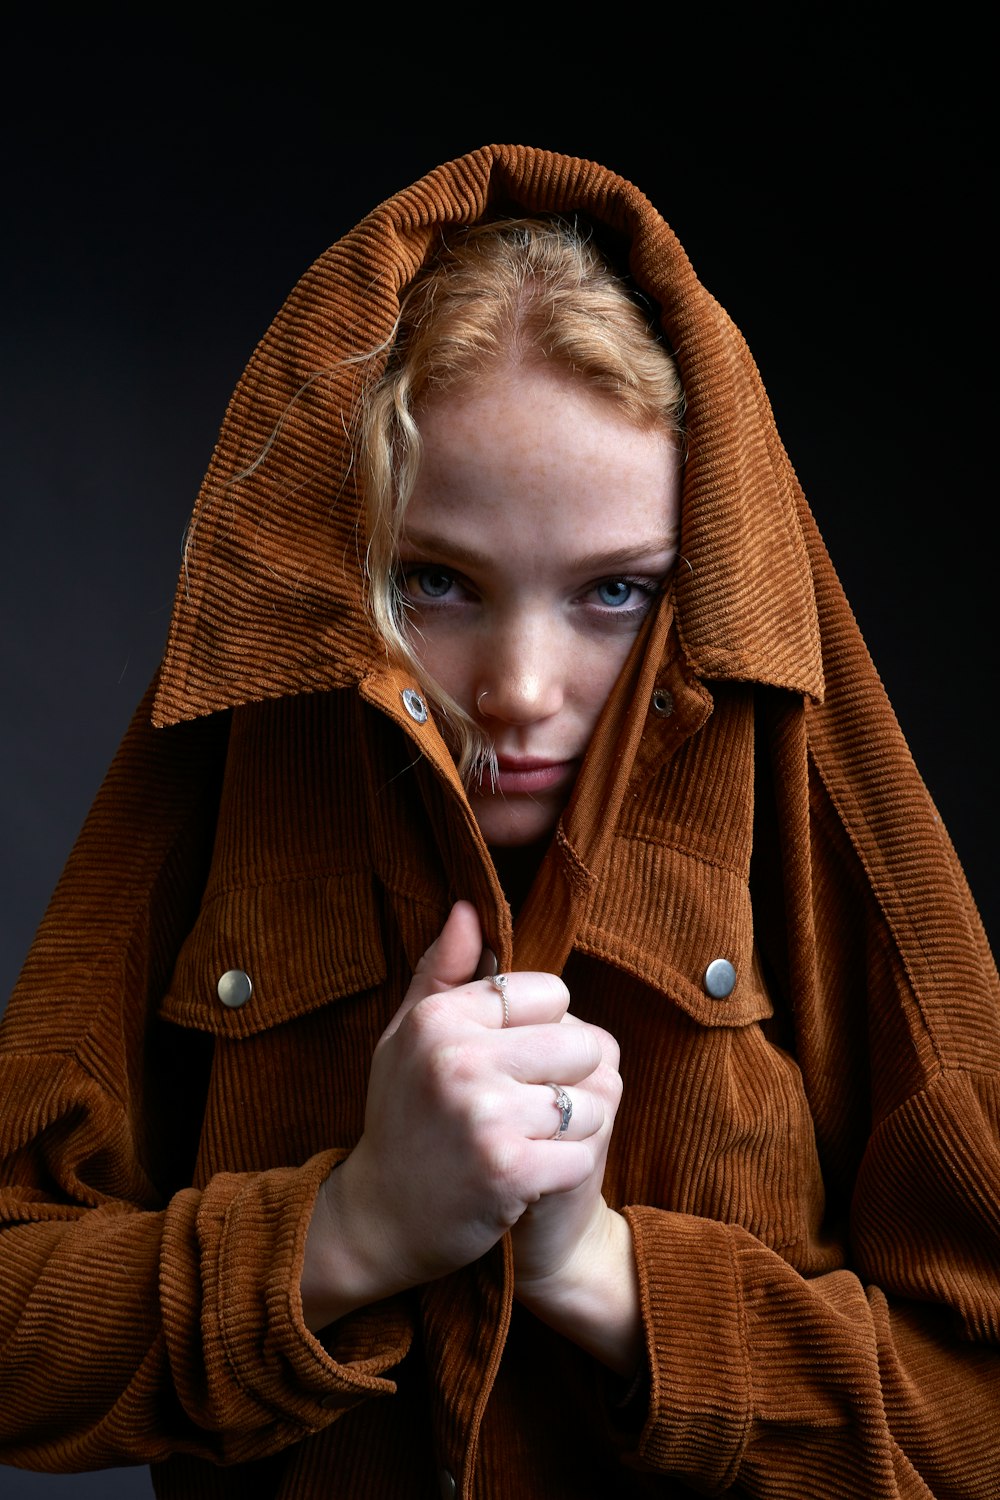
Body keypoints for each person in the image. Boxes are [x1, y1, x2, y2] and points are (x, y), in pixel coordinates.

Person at [0, 144, 997, 1499]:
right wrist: (349, 1230)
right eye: (435, 583)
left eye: (614, 595)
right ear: (339, 563)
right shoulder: (236, 778)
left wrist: (609, 1279)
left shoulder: (812, 810)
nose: (519, 694)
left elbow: (978, 1408)